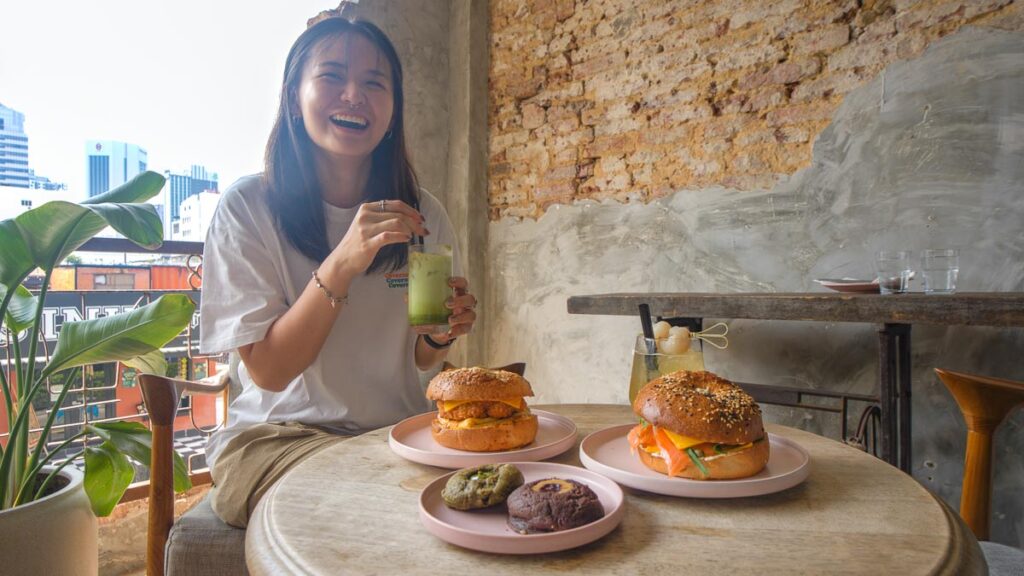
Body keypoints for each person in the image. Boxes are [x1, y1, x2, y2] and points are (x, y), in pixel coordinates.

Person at [198, 15, 477, 528]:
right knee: (390, 504)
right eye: (331, 77)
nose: (354, 95)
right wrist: (343, 262)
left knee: (486, 492)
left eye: (375, 83)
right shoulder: (248, 208)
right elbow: (270, 370)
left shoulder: (424, 214)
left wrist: (440, 335)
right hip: (277, 438)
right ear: (293, 95)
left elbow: (421, 360)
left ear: (393, 110)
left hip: (396, 433)